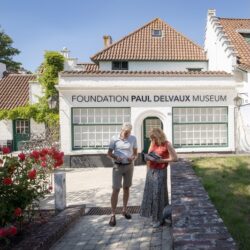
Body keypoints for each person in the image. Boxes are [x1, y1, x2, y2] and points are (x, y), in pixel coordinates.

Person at [140, 128, 178, 228]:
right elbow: (148, 155)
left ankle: (158, 219)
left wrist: (162, 161)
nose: (152, 139)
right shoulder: (153, 143)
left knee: (158, 194)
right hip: (150, 171)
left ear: (159, 136)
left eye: (154, 137)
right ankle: (159, 215)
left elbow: (175, 158)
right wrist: (147, 161)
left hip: (161, 171)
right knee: (152, 194)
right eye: (151, 138)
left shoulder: (167, 144)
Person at [107, 122, 138, 227]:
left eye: (129, 132)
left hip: (129, 166)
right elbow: (109, 153)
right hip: (117, 166)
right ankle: (113, 214)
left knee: (126, 188)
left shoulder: (133, 138)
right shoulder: (114, 138)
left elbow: (135, 153)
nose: (127, 134)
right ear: (121, 129)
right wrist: (116, 157)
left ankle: (124, 210)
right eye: (125, 132)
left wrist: (132, 158)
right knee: (116, 189)